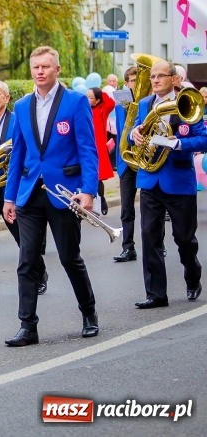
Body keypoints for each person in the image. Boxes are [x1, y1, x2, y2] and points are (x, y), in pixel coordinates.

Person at [3, 46, 100, 347]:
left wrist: (89, 190)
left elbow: (88, 148)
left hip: (65, 193)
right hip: (30, 192)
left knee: (70, 257)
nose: (40, 71)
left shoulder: (75, 102)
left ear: (57, 70)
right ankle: (27, 326)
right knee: (27, 259)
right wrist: (9, 198)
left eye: (46, 66)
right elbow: (17, 153)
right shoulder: (21, 106)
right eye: (36, 67)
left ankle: (89, 313)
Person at [129, 60, 207, 308]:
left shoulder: (188, 103)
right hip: (150, 180)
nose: (155, 80)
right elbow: (134, 130)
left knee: (184, 239)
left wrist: (179, 144)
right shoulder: (144, 104)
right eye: (153, 76)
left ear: (174, 79)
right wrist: (134, 133)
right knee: (149, 237)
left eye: (161, 76)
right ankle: (156, 294)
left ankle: (192, 277)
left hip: (179, 180)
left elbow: (203, 139)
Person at [0, 80, 48, 303]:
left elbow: (26, 154)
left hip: (10, 189)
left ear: (6, 98)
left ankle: (39, 273)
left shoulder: (17, 121)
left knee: (22, 237)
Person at [113, 67, 139, 262]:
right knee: (126, 209)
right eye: (131, 81)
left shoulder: (149, 103)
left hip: (147, 161)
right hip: (126, 160)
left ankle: (158, 245)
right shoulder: (120, 104)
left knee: (153, 208)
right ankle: (128, 248)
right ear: (126, 83)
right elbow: (121, 131)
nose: (135, 84)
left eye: (138, 80)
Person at [86, 87, 115, 215]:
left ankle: (101, 199)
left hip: (98, 149)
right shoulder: (84, 109)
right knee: (87, 175)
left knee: (98, 177)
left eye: (90, 97)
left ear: (97, 100)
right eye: (86, 96)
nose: (87, 99)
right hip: (86, 147)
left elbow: (111, 103)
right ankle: (91, 201)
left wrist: (100, 91)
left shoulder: (102, 110)